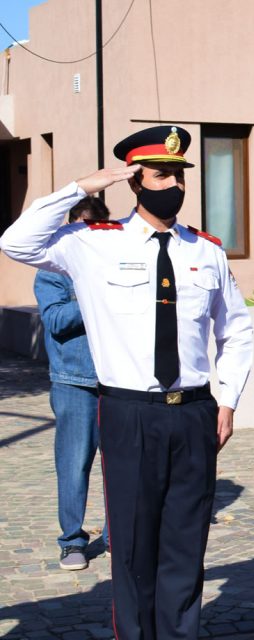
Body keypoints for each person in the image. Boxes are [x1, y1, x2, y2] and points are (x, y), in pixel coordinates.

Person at [0, 125, 254, 640]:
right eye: (162, 175)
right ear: (136, 181)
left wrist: (227, 402)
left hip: (194, 411)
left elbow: (236, 330)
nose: (174, 186)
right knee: (134, 547)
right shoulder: (89, 244)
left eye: (180, 175)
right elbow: (16, 241)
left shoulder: (204, 250)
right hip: (128, 411)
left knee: (186, 543)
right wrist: (82, 187)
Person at [35, 196, 111, 571]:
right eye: (82, 229)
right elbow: (56, 320)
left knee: (120, 464)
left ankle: (118, 536)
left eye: (95, 230)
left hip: (118, 380)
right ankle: (72, 541)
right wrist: (94, 289)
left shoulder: (115, 264)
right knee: (73, 464)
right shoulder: (53, 270)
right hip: (73, 381)